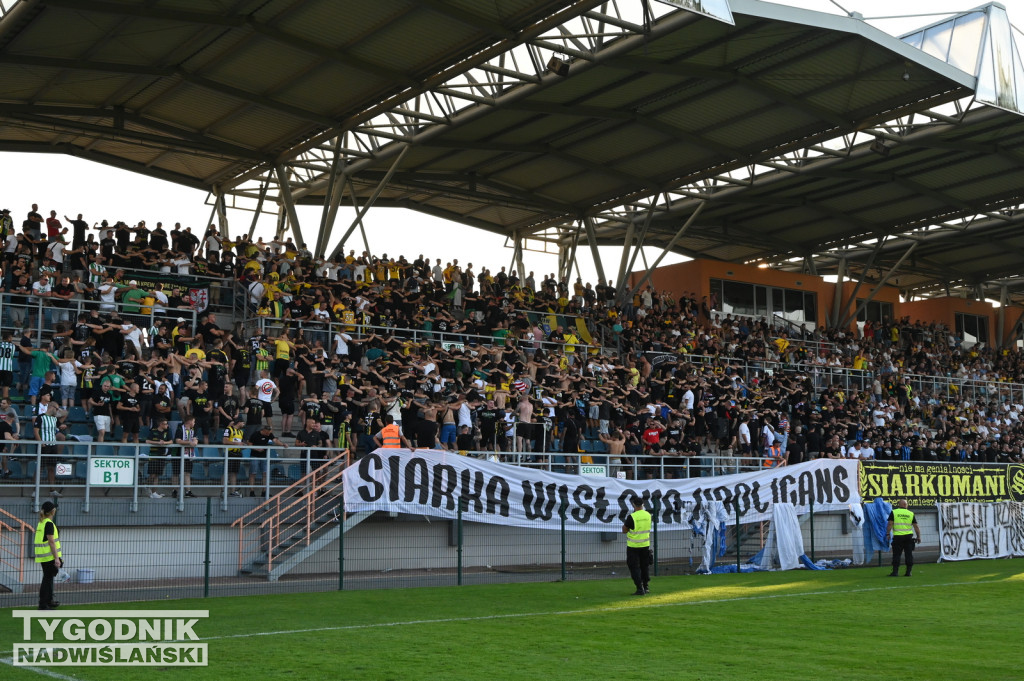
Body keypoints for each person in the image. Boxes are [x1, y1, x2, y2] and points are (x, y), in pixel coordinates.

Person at [35, 500, 62, 610]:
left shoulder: (41, 522)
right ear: (52, 511)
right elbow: (51, 542)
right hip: (49, 557)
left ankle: (49, 601)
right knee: (47, 580)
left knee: (49, 578)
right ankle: (43, 604)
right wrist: (56, 558)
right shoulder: (49, 524)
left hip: (43, 556)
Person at [622, 496, 651, 595]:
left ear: (633, 505)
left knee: (634, 567)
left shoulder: (632, 517)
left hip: (633, 546)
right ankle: (646, 586)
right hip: (645, 545)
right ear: (643, 504)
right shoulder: (648, 515)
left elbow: (624, 530)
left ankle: (639, 588)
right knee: (644, 566)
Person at [886, 498, 921, 577]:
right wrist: (918, 536)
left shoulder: (894, 512)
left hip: (898, 537)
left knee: (896, 554)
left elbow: (890, 524)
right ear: (906, 505)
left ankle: (895, 572)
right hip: (908, 537)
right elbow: (916, 526)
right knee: (909, 554)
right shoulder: (911, 513)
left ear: (899, 504)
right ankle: (908, 572)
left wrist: (888, 534)